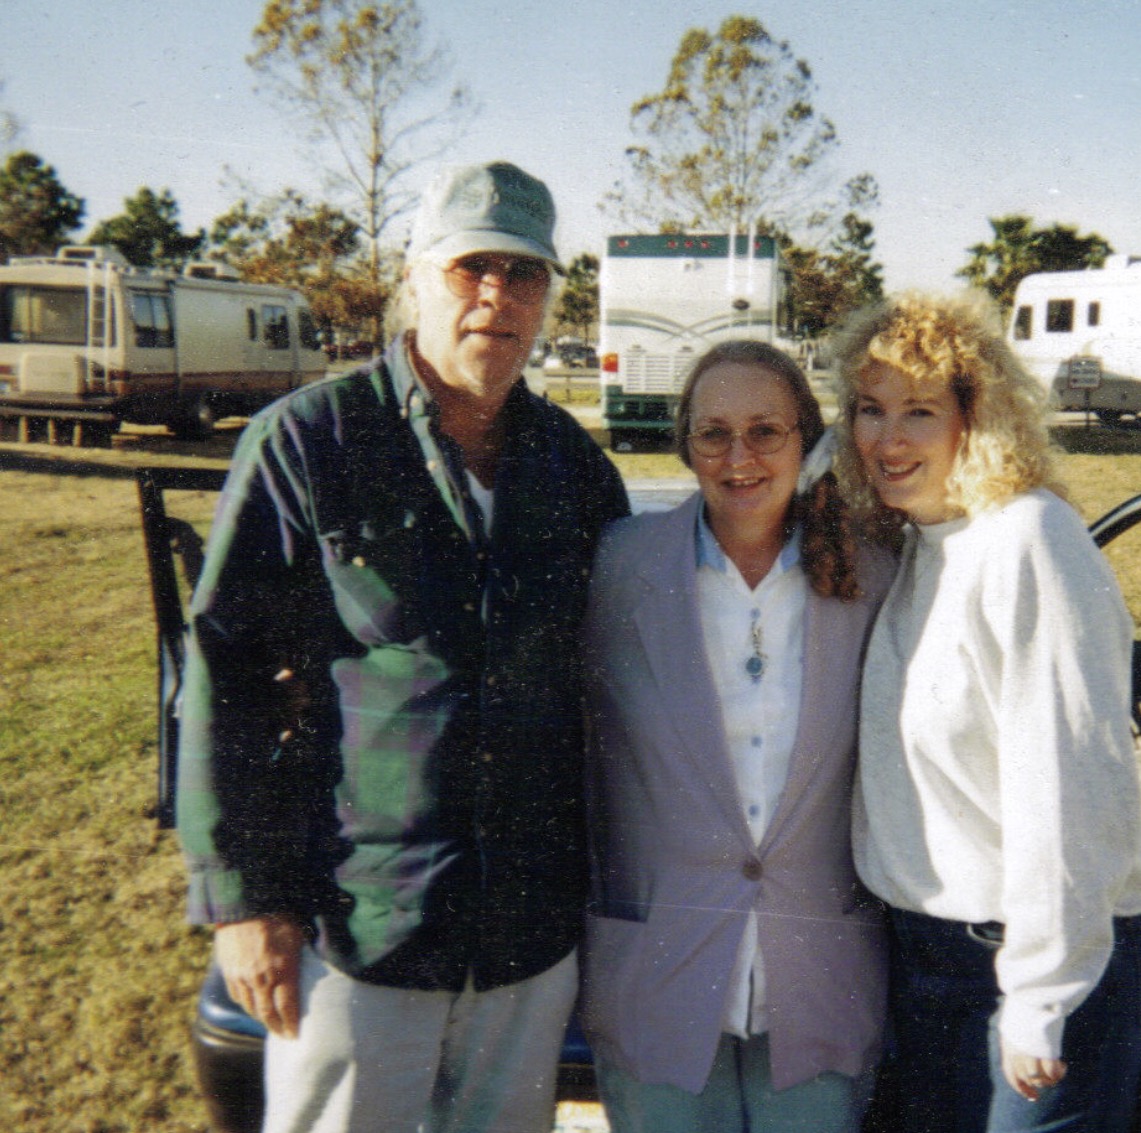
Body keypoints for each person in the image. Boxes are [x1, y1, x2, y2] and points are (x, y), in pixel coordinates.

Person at [175, 161, 629, 1133]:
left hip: (524, 942)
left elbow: (622, 684)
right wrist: (243, 900)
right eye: (472, 268)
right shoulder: (306, 442)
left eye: (526, 273)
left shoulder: (574, 468)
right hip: (361, 932)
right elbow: (224, 679)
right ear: (417, 277)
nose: (497, 298)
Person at [832, 292, 1141, 1133]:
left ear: (980, 416)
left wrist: (1043, 997)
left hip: (1033, 970)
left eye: (919, 412)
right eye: (869, 409)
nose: (885, 439)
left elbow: (1074, 789)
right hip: (925, 961)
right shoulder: (923, 543)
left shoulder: (1028, 541)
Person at [579, 340, 894, 1133]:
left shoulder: (874, 573)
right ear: (684, 442)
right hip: (658, 968)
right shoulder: (618, 566)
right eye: (712, 432)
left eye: (766, 431)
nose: (739, 456)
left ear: (807, 439)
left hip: (819, 974)